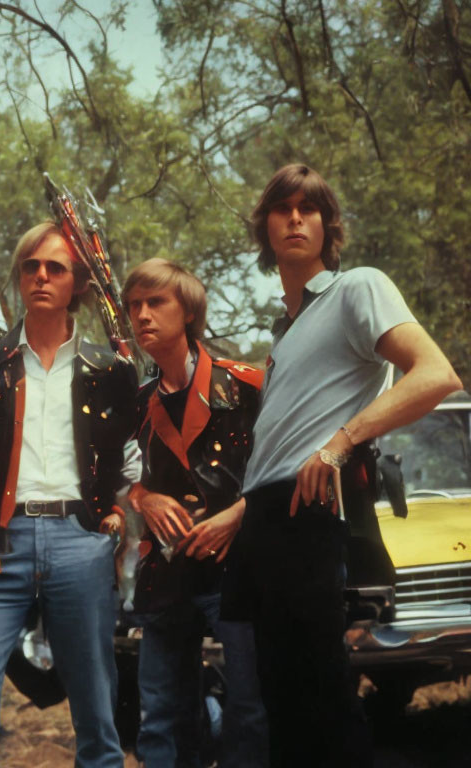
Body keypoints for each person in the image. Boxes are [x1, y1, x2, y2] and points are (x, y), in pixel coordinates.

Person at [223, 163, 462, 767]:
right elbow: (277, 446)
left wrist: (340, 442)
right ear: (266, 226)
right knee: (278, 701)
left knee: (324, 694)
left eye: (309, 208)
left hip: (313, 510)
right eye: (283, 208)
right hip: (265, 518)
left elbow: (435, 375)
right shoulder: (284, 336)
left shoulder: (358, 287)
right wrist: (240, 513)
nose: (296, 218)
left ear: (328, 225)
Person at [0, 221, 140, 768]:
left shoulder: (112, 370)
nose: (41, 276)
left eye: (56, 267)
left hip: (80, 543)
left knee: (98, 723)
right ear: (19, 276)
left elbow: (130, 465)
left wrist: (114, 533)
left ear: (80, 284)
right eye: (31, 266)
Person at [122, 258, 269, 768]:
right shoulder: (133, 403)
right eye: (134, 305)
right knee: (160, 712)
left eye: (155, 302)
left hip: (239, 568)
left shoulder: (247, 384)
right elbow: (113, 481)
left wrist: (240, 514)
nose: (142, 315)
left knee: (250, 705)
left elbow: (287, 465)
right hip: (166, 571)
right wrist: (144, 499)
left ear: (188, 311)